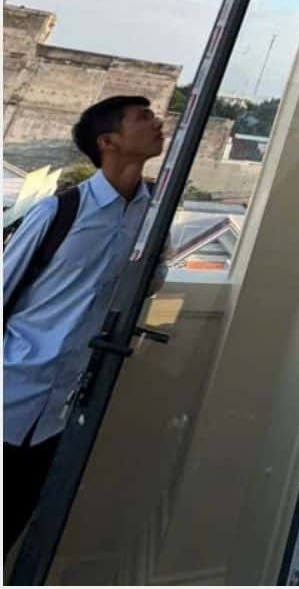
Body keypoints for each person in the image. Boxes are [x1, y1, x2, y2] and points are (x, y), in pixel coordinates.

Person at [3, 94, 164, 553]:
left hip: (63, 409)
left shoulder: (152, 217)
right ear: (108, 142)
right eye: (143, 118)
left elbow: (147, 285)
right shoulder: (58, 211)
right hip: (11, 390)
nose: (157, 122)